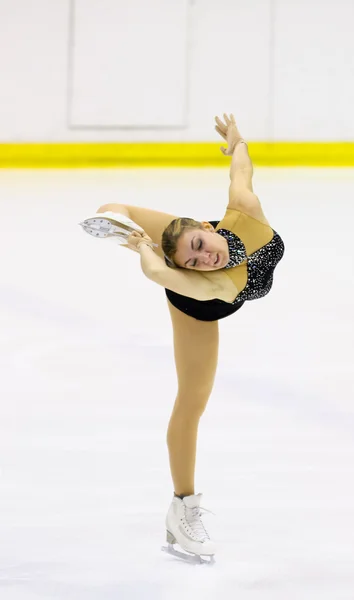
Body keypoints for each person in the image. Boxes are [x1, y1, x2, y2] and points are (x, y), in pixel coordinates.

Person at [80, 114, 285, 564]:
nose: (204, 258)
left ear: (209, 227)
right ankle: (182, 507)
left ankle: (129, 223)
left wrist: (236, 140)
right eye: (193, 259)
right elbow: (159, 273)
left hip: (186, 247)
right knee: (192, 400)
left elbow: (242, 169)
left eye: (200, 245)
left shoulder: (242, 210)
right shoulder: (202, 282)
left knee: (147, 222)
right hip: (199, 306)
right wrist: (145, 250)